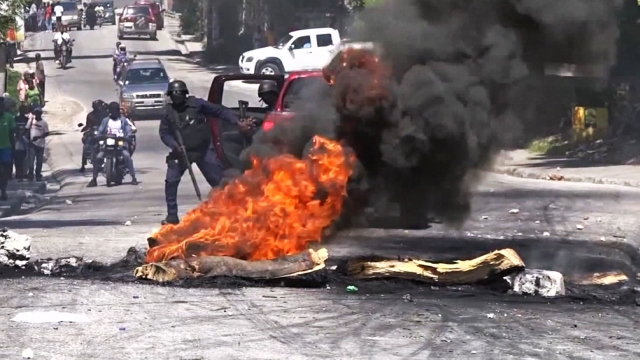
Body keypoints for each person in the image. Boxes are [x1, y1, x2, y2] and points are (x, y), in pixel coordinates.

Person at [159, 79, 253, 225]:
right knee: (171, 181)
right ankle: (172, 215)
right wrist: (174, 145)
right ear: (171, 96)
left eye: (179, 94)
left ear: (185, 94)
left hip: (203, 150)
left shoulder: (197, 104)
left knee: (219, 180)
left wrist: (237, 122)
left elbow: (220, 111)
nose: (177, 97)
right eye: (174, 95)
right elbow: (164, 133)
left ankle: (231, 211)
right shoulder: (168, 113)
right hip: (182, 152)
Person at [87, 102, 138, 187]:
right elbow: (100, 131)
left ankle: (133, 177)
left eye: (115, 110)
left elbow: (128, 130)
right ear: (109, 111)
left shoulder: (123, 120)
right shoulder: (106, 120)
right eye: (112, 110)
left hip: (119, 143)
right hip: (107, 143)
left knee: (127, 156)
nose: (114, 112)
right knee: (98, 157)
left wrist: (127, 136)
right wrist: (98, 136)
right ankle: (94, 179)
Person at [79, 100, 108, 172]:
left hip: (104, 133)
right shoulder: (90, 115)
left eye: (98, 106)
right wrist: (84, 129)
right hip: (93, 132)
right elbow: (88, 125)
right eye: (95, 106)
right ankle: (83, 165)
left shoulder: (106, 114)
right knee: (86, 145)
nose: (97, 107)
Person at [25, 107, 49, 182]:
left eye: (38, 113)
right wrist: (26, 139)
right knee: (31, 161)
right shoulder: (31, 120)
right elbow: (26, 129)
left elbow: (47, 133)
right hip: (32, 144)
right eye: (36, 113)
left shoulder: (44, 123)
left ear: (41, 114)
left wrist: (39, 137)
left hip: (40, 144)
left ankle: (38, 174)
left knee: (39, 161)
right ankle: (31, 174)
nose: (37, 114)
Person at [0, 97, 15, 200]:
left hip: (6, 148)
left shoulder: (9, 117)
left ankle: (3, 191)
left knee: (4, 172)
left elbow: (11, 134)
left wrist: (13, 148)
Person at [13, 105, 30, 180]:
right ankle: (18, 173)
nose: (23, 111)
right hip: (17, 140)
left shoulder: (27, 119)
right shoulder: (16, 119)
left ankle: (23, 173)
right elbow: (13, 128)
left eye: (24, 110)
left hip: (25, 140)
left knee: (24, 158)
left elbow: (29, 129)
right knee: (17, 158)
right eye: (22, 110)